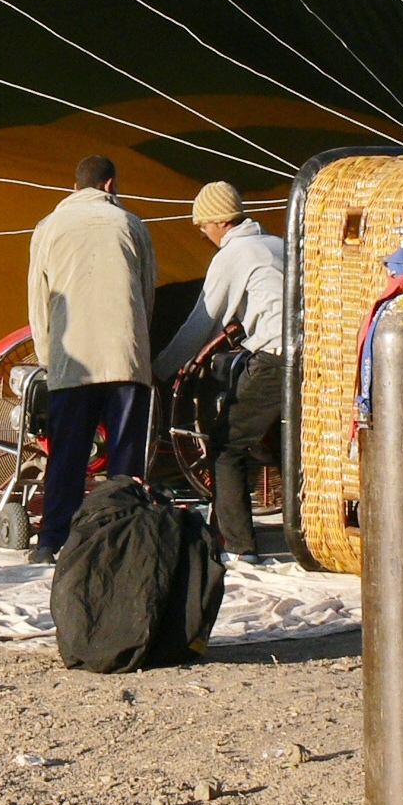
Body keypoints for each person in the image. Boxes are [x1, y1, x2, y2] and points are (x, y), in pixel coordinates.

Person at [26, 155, 158, 564]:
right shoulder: (131, 225)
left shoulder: (48, 228)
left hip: (72, 361)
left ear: (77, 185)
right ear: (111, 185)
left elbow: (39, 300)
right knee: (125, 457)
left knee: (66, 454)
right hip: (125, 357)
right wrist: (139, 344)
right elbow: (146, 294)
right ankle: (123, 539)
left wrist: (49, 356)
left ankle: (51, 540)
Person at [153, 182, 285, 565]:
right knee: (288, 443)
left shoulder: (234, 254)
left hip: (277, 356)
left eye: (204, 223)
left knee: (226, 446)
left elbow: (203, 322)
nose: (201, 231)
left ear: (223, 221)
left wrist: (160, 371)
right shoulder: (276, 244)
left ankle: (239, 545)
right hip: (315, 356)